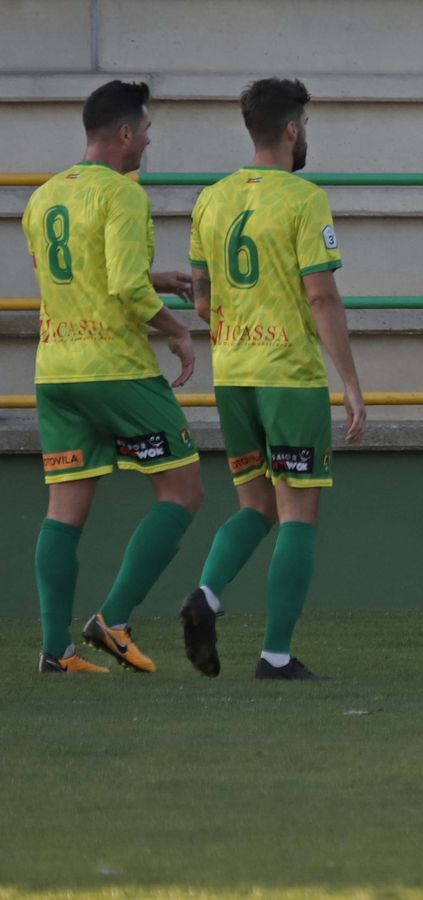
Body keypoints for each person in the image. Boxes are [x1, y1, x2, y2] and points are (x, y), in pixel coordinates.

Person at [180, 77, 365, 680]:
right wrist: (352, 384)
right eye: (305, 124)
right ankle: (275, 656)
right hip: (287, 377)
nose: (305, 133)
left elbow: (202, 301)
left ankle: (206, 595)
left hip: (231, 377)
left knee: (255, 504)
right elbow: (322, 296)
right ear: (291, 129)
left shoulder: (211, 198)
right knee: (298, 514)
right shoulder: (304, 199)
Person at [25, 79, 204, 675]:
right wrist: (177, 331)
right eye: (147, 129)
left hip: (56, 372)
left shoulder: (44, 197)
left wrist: (161, 277)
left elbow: (89, 277)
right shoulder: (124, 196)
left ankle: (54, 652)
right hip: (114, 369)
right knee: (183, 491)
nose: (149, 139)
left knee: (64, 512)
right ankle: (114, 618)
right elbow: (123, 290)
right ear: (125, 134)